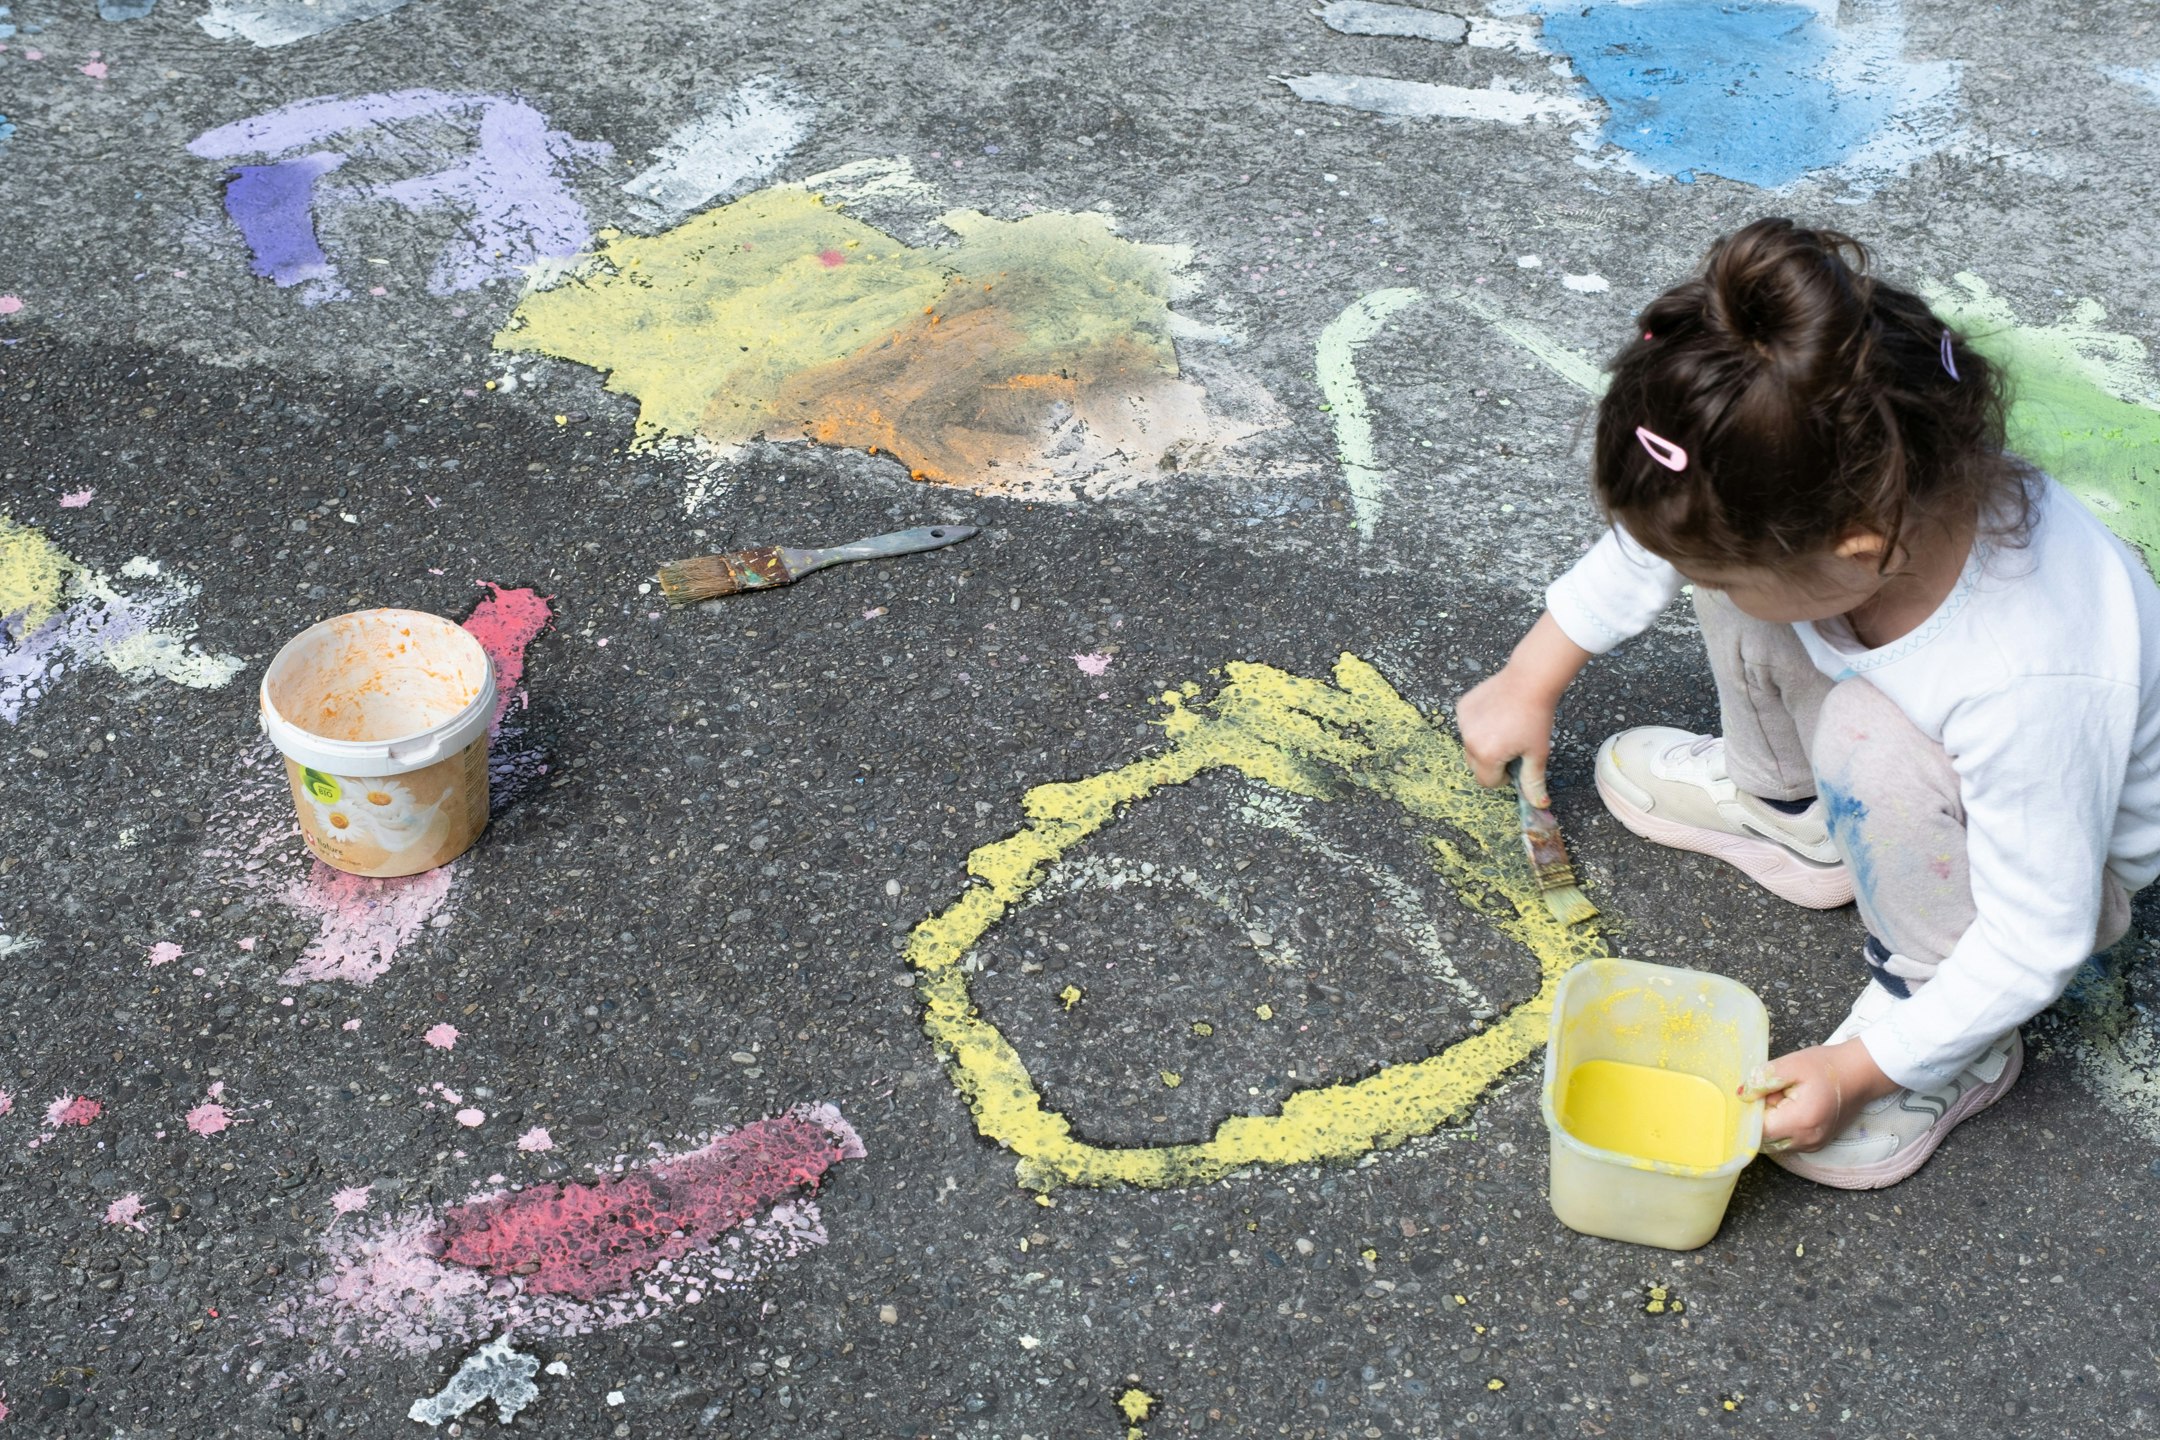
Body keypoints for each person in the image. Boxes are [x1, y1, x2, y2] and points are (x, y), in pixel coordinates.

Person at [1456, 218, 2160, 1189]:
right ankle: (1793, 813)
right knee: (1741, 573)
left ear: (1859, 552)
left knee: (1858, 725)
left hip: (2048, 874)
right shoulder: (1824, 486)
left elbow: (2041, 933)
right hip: (1916, 721)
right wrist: (1531, 674)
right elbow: (1680, 526)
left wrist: (1860, 1071)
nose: (1701, 581)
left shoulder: (2024, 676)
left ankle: (1944, 1024)